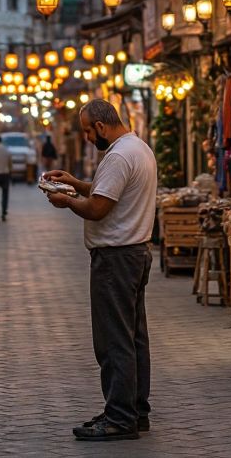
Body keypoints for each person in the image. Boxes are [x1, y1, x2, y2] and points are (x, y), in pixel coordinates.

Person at [43, 100, 157, 442]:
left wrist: (66, 201)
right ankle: (134, 411)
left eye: (88, 131)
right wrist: (75, 183)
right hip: (135, 253)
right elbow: (106, 193)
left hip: (116, 259)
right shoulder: (138, 148)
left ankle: (120, 417)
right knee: (133, 337)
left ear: (102, 126)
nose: (88, 137)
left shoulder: (119, 156)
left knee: (113, 340)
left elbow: (98, 208)